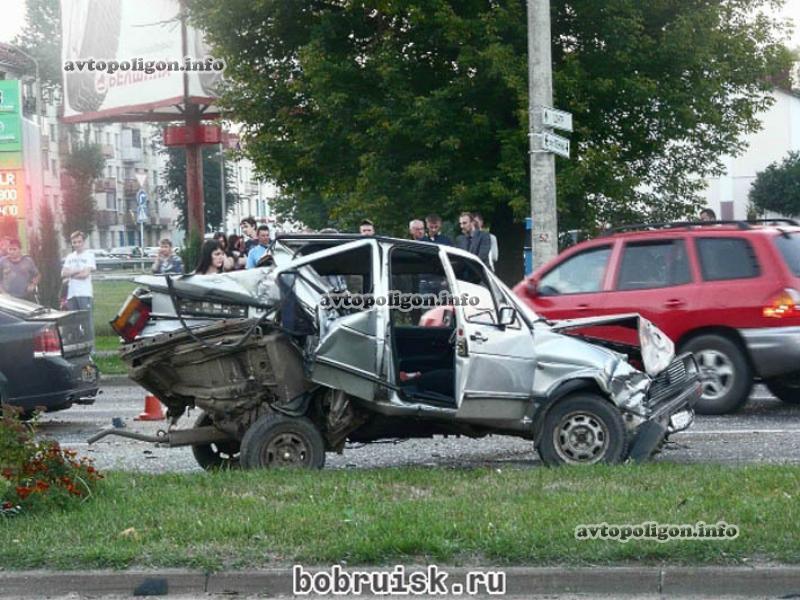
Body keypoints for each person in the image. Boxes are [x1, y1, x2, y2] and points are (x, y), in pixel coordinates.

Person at [61, 231, 96, 343]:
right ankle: (78, 346)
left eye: (79, 242)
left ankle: (91, 348)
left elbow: (85, 275)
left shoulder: (89, 255)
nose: (77, 244)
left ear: (83, 242)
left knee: (86, 322)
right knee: (74, 322)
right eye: (74, 242)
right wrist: (77, 271)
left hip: (84, 293)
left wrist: (71, 275)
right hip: (72, 294)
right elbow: (63, 273)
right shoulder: (70, 257)